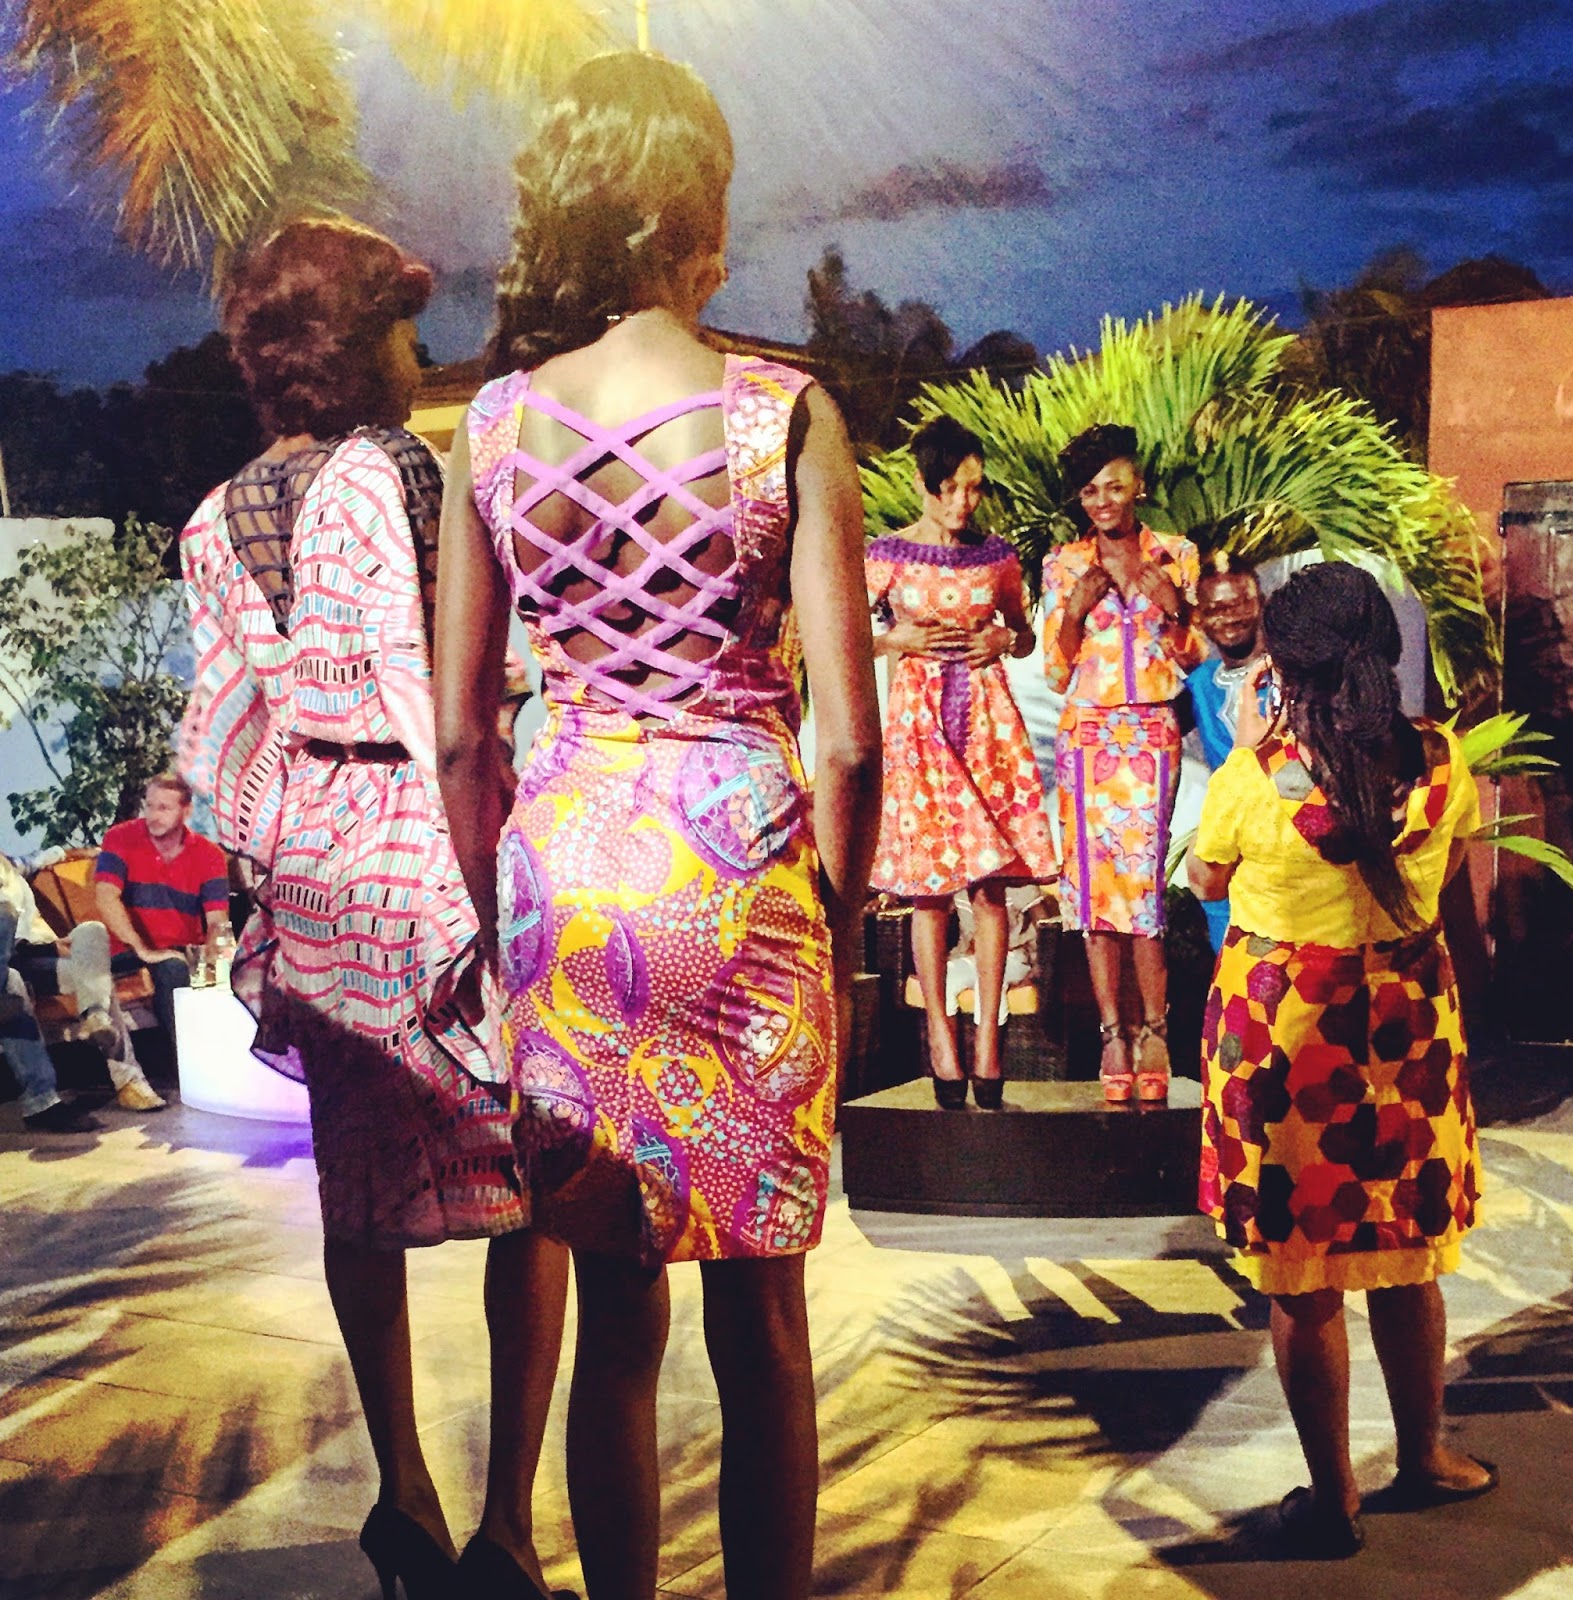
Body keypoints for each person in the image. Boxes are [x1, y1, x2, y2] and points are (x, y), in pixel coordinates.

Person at [435, 53, 881, 1600]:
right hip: (742, 875)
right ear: (701, 216)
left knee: (614, 1317)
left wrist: (503, 923)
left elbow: (461, 733)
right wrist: (837, 932)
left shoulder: (493, 429)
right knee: (765, 1320)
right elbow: (850, 741)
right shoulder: (784, 416)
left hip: (570, 881)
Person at [178, 217, 571, 1600]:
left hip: (311, 866)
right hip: (430, 840)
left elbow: (230, 732)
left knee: (356, 1192)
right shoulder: (396, 469)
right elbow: (456, 686)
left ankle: (402, 1487)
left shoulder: (214, 521)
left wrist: (277, 871)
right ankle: (507, 1525)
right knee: (530, 1185)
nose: (417, 351)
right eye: (402, 325)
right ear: (351, 341)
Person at [1188, 562, 1495, 1558]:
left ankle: (1334, 1502)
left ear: (1283, 665)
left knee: (1301, 1271)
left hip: (1287, 1039)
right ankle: (1424, 1455)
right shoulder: (1443, 764)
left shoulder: (1254, 779)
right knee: (1407, 1254)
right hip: (1404, 1030)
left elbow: (1205, 875)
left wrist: (1248, 746)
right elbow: (1444, 869)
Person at [866, 415, 1056, 1109]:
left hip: (988, 724)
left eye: (973, 488)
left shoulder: (997, 557)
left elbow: (1025, 633)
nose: (962, 502)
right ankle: (941, 1046)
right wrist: (897, 639)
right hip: (918, 726)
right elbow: (847, 633)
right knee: (929, 890)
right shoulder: (886, 554)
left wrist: (1004, 639)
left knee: (990, 886)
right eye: (949, 488)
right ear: (924, 483)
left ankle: (988, 1046)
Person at [1040, 424, 1203, 1102]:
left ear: (1138, 485)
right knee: (1091, 887)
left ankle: (1156, 1029)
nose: (1103, 500)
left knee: (1142, 881)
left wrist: (1172, 605)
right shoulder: (1063, 564)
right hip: (1087, 736)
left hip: (1152, 732)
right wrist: (1075, 613)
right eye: (1090, 491)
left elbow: (1194, 655)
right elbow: (1055, 671)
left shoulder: (1178, 554)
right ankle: (1113, 1033)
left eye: (1114, 486)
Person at [1, 849, 165, 1129]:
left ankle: (97, 1020)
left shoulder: (11, 864)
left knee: (92, 939)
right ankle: (41, 1103)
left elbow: (46, 856)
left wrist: (86, 851)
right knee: (11, 979)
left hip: (42, 959)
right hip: (10, 963)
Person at [94, 774, 230, 1050]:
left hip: (184, 951)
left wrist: (216, 969)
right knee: (173, 969)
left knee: (232, 973)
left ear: (186, 811)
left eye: (164, 808)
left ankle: (228, 1061)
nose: (153, 816)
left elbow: (218, 921)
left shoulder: (210, 855)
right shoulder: (120, 837)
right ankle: (191, 1063)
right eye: (149, 806)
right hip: (129, 950)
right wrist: (144, 951)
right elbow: (106, 897)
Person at [1185, 553, 1267, 952]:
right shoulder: (1200, 683)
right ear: (1200, 619)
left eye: (1239, 604)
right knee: (1229, 945)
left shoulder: (1290, 671)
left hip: (1284, 825)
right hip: (1228, 833)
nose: (1229, 618)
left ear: (1260, 603)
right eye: (1215, 609)